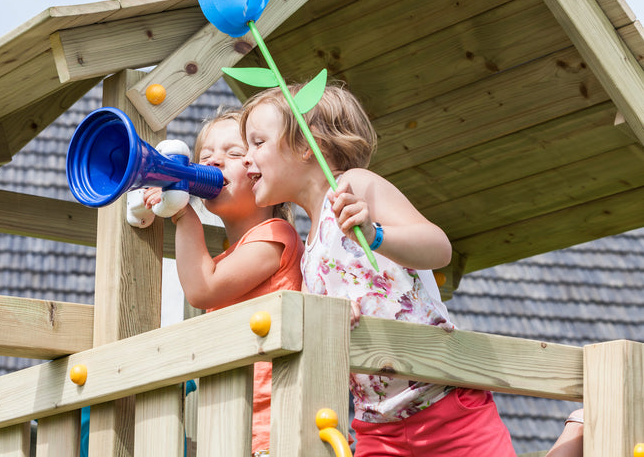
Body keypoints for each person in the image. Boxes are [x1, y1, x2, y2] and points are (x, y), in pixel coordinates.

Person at [240, 83, 516, 457]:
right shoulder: (309, 250)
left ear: (307, 145)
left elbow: (439, 247)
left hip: (446, 406)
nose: (246, 158)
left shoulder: (355, 187)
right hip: (377, 426)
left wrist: (375, 235)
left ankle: (573, 431)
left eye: (258, 143)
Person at [137, 108, 304, 456]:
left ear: (260, 170)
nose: (214, 161)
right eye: (205, 156)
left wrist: (183, 215)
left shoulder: (276, 236)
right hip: (231, 424)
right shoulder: (227, 260)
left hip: (272, 426)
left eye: (234, 153)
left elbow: (202, 289)